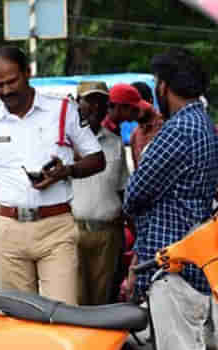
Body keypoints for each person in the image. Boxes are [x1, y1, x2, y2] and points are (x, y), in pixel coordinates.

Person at [123, 49, 218, 350]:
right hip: (190, 259)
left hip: (173, 263)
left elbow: (135, 193)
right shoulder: (203, 124)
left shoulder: (178, 129)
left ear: (163, 86)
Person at [0, 46, 105, 306]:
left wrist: (67, 171)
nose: (6, 91)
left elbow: (97, 159)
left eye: (11, 81)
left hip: (56, 228)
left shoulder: (62, 109)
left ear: (28, 73)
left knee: (62, 316)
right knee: (19, 322)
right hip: (7, 229)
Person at [72, 81, 131, 307]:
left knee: (103, 301)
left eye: (101, 102)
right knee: (75, 302)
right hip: (74, 232)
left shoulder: (115, 143)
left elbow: (123, 189)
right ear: (78, 104)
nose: (95, 107)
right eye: (90, 101)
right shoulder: (65, 143)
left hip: (108, 235)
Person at [129, 81, 165, 168]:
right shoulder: (134, 136)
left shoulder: (165, 126)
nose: (134, 109)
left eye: (138, 103)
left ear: (150, 101)